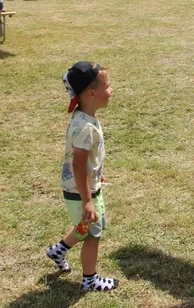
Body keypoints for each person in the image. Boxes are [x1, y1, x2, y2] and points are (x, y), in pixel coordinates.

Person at [46, 61, 118, 292]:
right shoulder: (85, 127)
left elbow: (85, 163)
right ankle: (89, 279)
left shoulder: (86, 119)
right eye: (107, 86)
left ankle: (59, 249)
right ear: (91, 93)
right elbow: (77, 166)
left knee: (86, 227)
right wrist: (87, 200)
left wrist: (97, 174)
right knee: (92, 235)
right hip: (81, 192)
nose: (111, 91)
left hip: (82, 187)